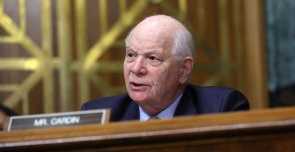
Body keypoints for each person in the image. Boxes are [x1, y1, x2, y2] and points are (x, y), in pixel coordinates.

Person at [81, 15, 249, 122]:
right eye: (131, 55)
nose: (136, 68)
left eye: (152, 58)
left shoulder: (221, 109)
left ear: (184, 69)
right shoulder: (99, 116)